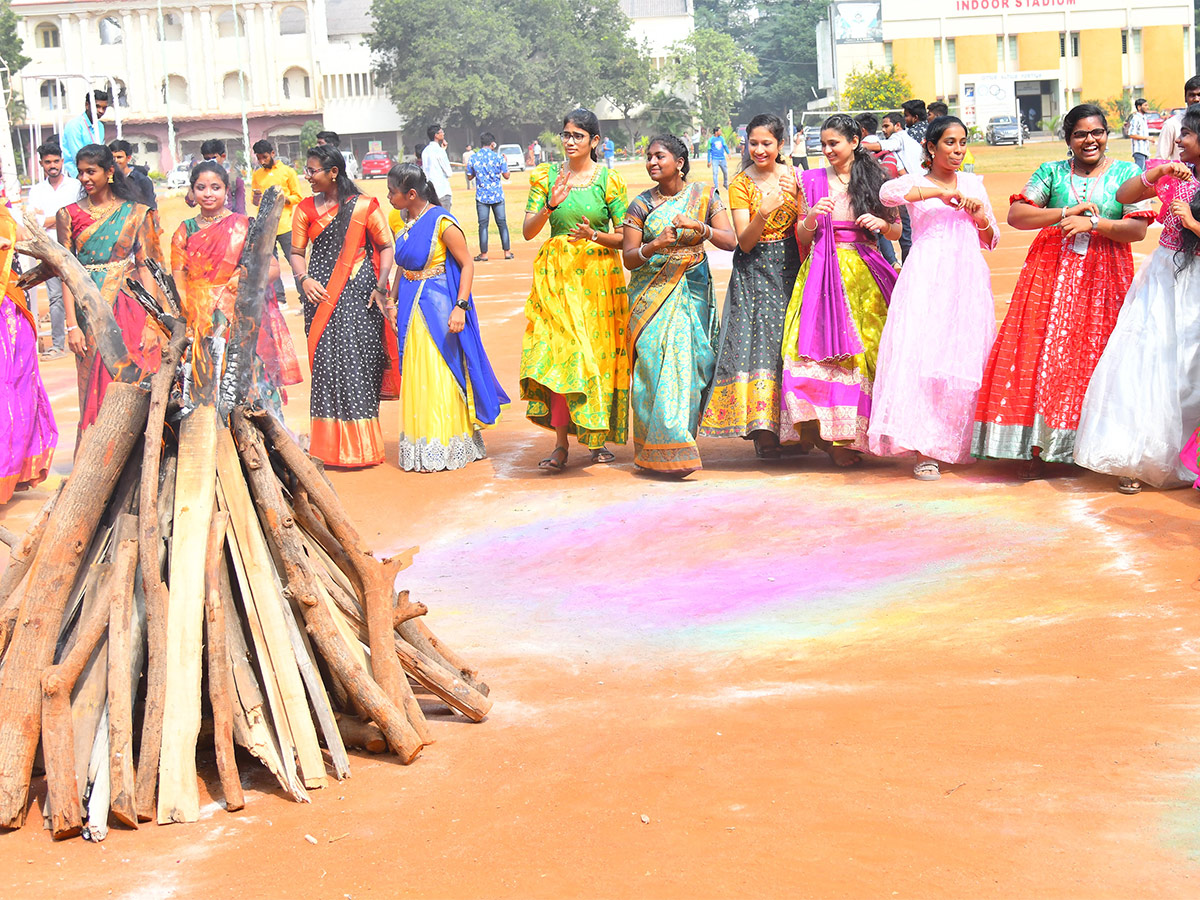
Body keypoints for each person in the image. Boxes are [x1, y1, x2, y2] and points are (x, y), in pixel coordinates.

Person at [973, 104, 1151, 478]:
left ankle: (1097, 447)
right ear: (1068, 139)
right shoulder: (1052, 172)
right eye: (1081, 134)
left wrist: (1095, 222)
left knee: (1101, 353)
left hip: (1105, 276)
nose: (1091, 140)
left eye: (1098, 132)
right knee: (1043, 352)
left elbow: (1135, 229)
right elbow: (1018, 216)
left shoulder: (1126, 172)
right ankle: (1038, 445)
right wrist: (1064, 212)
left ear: (1107, 134)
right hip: (1049, 275)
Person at [1075, 106, 1200, 493]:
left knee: (1189, 371)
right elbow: (1124, 193)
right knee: (1147, 363)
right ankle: (1137, 457)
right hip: (1163, 278)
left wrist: (1193, 223)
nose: (1179, 140)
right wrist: (1157, 173)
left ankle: (1185, 458)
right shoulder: (1177, 175)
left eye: (1188, 134)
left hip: (1195, 283)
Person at [868, 116, 998, 480]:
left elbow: (992, 239)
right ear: (930, 146)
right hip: (925, 276)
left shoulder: (974, 183)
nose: (957, 151)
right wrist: (939, 193)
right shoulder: (915, 182)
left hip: (966, 278)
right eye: (949, 143)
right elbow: (887, 194)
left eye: (962, 143)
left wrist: (980, 217)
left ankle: (959, 440)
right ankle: (925, 448)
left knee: (963, 355)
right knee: (923, 356)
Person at [780, 114, 899, 467]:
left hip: (865, 275)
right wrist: (812, 217)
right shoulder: (811, 180)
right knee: (815, 352)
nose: (827, 150)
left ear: (854, 143)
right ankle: (835, 441)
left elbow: (894, 230)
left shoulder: (876, 178)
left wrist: (880, 223)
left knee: (871, 349)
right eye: (823, 144)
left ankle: (863, 435)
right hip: (820, 274)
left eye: (834, 143)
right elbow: (801, 235)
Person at [620, 134, 737, 475]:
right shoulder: (640, 205)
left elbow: (729, 241)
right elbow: (629, 259)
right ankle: (654, 449)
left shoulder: (704, 196)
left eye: (660, 156)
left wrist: (699, 228)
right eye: (649, 157)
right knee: (653, 367)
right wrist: (655, 244)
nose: (652, 162)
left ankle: (680, 442)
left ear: (680, 162)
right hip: (651, 294)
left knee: (693, 365)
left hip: (694, 289)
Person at [521, 107, 629, 472]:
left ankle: (597, 439)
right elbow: (528, 230)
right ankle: (560, 443)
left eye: (578, 136)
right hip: (557, 278)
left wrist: (594, 235)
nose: (570, 141)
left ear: (594, 141)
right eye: (566, 134)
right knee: (562, 355)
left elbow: (626, 236)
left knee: (596, 357)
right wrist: (551, 202)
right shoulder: (546, 176)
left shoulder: (608, 181)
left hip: (600, 278)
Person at [385, 164, 508, 472]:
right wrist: (393, 298)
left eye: (392, 192)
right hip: (411, 306)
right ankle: (421, 441)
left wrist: (460, 307)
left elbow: (467, 264)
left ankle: (447, 440)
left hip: (438, 305)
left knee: (440, 370)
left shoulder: (442, 222)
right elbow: (403, 265)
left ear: (411, 194)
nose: (388, 197)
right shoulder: (402, 221)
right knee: (416, 371)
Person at [699, 113, 802, 457]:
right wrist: (764, 210)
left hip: (794, 266)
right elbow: (744, 242)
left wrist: (800, 198)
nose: (759, 150)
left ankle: (796, 425)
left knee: (792, 343)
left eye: (766, 143)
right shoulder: (741, 184)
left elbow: (809, 224)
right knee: (761, 346)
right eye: (753, 143)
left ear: (781, 145)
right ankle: (763, 430)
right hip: (756, 271)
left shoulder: (796, 177)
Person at [290, 145, 395, 468]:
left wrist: (380, 287)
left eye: (312, 171)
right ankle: (328, 449)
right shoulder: (305, 209)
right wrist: (304, 279)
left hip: (360, 296)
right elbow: (296, 252)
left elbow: (386, 245)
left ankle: (363, 449)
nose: (307, 177)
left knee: (359, 365)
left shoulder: (364, 206)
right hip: (320, 297)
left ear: (333, 172)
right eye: (306, 171)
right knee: (326, 367)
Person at [171, 161, 301, 416]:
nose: (208, 193)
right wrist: (187, 316)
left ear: (227, 190)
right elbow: (178, 278)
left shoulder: (244, 225)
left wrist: (243, 278)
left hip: (237, 318)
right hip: (199, 318)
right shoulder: (184, 230)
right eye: (201, 187)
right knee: (202, 382)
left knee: (244, 380)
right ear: (192, 191)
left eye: (215, 187)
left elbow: (271, 268)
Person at [59, 143, 164, 436]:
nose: (84, 179)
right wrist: (71, 326)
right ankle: (97, 457)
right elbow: (67, 273)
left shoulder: (136, 213)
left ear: (109, 173)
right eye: (80, 173)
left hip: (129, 306)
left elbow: (146, 267)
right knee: (93, 384)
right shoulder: (68, 215)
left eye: (91, 172)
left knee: (132, 379)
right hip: (89, 309)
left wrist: (151, 321)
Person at [0, 203, 57, 504]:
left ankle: (13, 470)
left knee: (14, 391)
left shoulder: (8, 217)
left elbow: (35, 249)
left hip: (9, 314)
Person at [26, 141, 82, 359]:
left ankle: (86, 336)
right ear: (41, 164)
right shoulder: (37, 191)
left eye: (56, 161)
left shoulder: (76, 186)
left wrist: (51, 218)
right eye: (48, 162)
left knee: (81, 292)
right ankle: (58, 345)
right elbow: (35, 222)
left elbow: (78, 218)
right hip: (49, 251)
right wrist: (63, 216)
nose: (52, 165)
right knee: (56, 298)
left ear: (61, 161)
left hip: (76, 250)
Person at [251, 138, 305, 311]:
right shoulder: (257, 175)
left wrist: (282, 199)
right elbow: (254, 201)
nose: (262, 161)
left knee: (294, 261)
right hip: (266, 226)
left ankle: (304, 298)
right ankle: (280, 299)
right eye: (259, 158)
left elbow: (298, 196)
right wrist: (257, 198)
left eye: (265, 157)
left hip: (285, 225)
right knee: (270, 264)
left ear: (273, 154)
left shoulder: (287, 172)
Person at [861, 112, 923, 261]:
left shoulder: (897, 138)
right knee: (907, 234)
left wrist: (855, 145)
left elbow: (887, 145)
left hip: (907, 191)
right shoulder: (908, 143)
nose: (883, 130)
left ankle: (901, 266)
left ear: (897, 126)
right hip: (914, 189)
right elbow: (901, 170)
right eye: (882, 126)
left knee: (882, 231)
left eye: (886, 126)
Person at [854, 112, 900, 266]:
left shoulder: (858, 150)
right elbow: (900, 170)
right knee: (884, 227)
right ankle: (892, 261)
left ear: (862, 130)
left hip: (864, 195)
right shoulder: (887, 147)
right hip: (887, 195)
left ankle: (878, 261)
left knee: (871, 230)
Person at [466, 132, 513, 262]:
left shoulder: (474, 158)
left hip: (482, 196)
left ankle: (484, 254)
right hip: (497, 195)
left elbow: (470, 176)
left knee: (483, 225)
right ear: (492, 144)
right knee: (502, 223)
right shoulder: (498, 157)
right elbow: (507, 175)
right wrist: (505, 162)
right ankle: (507, 252)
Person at [186, 140, 246, 214]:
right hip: (208, 221)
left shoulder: (234, 180)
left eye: (214, 158)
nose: (211, 162)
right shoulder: (200, 179)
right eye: (207, 159)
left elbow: (240, 207)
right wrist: (195, 180)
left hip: (229, 221)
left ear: (223, 156)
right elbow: (191, 202)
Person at [61, 91, 108, 177]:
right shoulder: (74, 125)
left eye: (104, 108)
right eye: (97, 107)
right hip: (75, 175)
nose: (101, 111)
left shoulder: (100, 126)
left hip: (95, 174)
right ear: (87, 105)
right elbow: (78, 156)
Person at [1157, 76, 1200, 161]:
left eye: (1199, 95)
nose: (1196, 99)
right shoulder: (1171, 124)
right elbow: (1160, 160)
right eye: (1192, 95)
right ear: (1185, 98)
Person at [108, 139, 157, 211]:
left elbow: (150, 207)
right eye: (112, 158)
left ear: (128, 158)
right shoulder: (107, 179)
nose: (115, 161)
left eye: (119, 157)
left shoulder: (142, 180)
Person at [421, 123, 453, 210]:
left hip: (430, 192)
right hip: (442, 190)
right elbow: (449, 172)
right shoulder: (439, 151)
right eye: (441, 132)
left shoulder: (425, 151)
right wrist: (443, 151)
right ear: (436, 135)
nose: (443, 134)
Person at [1128, 98, 1151, 170]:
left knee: (1145, 173)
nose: (1147, 107)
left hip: (1145, 151)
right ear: (1139, 107)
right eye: (1145, 105)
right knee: (1140, 173)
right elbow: (1132, 134)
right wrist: (1146, 138)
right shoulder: (1136, 119)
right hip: (1139, 151)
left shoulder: (1143, 118)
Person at [707, 126, 729, 191]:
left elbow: (725, 146)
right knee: (715, 173)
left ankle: (725, 183)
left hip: (722, 159)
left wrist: (728, 153)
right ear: (716, 132)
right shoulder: (711, 140)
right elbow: (709, 151)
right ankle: (716, 187)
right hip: (715, 159)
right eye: (720, 131)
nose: (721, 132)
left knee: (725, 172)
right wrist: (709, 161)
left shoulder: (722, 138)